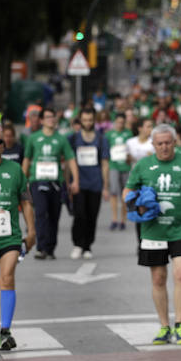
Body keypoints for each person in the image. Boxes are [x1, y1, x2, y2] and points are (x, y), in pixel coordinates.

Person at [123, 124, 181, 345]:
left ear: (174, 142)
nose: (164, 147)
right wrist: (137, 204)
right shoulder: (143, 165)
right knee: (158, 278)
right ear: (152, 144)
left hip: (180, 229)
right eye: (159, 143)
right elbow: (127, 191)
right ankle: (164, 326)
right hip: (153, 231)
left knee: (180, 274)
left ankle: (180, 324)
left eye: (168, 142)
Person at [0, 125, 35, 351]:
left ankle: (6, 331)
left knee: (7, 276)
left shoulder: (15, 169)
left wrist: (32, 230)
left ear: (4, 145)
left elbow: (26, 201)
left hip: (10, 236)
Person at [22, 107, 79, 260]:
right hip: (37, 180)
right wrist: (22, 181)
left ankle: (51, 247)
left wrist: (75, 180)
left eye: (53, 117)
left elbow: (70, 159)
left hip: (56, 182)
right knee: (40, 213)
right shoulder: (33, 138)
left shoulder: (61, 139)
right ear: (41, 120)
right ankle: (41, 248)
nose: (51, 120)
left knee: (54, 215)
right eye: (48, 117)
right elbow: (27, 159)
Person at [68, 108, 110, 260]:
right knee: (80, 214)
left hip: (95, 183)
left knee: (92, 216)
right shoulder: (72, 138)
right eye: (85, 120)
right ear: (80, 120)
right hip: (79, 183)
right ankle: (78, 244)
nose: (88, 123)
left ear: (95, 120)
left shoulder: (101, 139)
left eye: (90, 120)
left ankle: (87, 246)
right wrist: (68, 181)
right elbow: (68, 161)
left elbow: (105, 163)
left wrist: (105, 186)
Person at [105, 113, 133, 230]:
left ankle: (123, 220)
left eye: (122, 122)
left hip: (125, 166)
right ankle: (114, 219)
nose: (120, 124)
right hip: (114, 165)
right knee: (114, 192)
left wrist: (129, 157)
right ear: (115, 122)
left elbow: (131, 150)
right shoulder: (109, 134)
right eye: (118, 122)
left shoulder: (128, 134)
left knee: (124, 194)